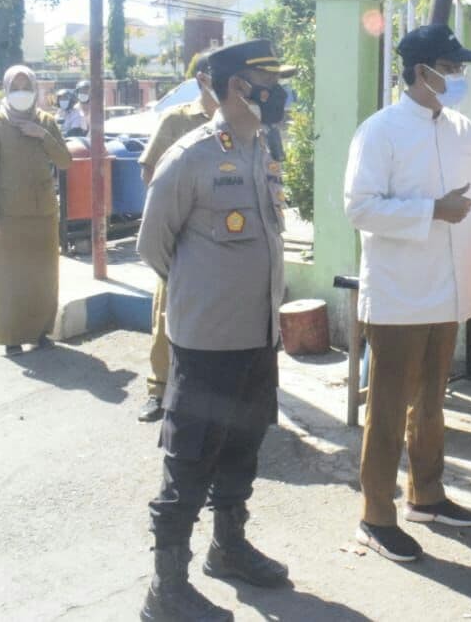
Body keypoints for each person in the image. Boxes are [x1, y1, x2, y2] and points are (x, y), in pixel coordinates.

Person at [344, 24, 471, 563]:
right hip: (400, 294)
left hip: (451, 289)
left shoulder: (462, 130)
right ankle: (376, 516)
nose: (459, 77)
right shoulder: (380, 131)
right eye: (450, 68)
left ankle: (425, 496)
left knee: (431, 402)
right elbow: (358, 207)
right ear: (421, 71)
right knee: (386, 407)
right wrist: (430, 209)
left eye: (459, 69)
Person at [137, 39, 290, 622]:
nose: (277, 91)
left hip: (258, 334)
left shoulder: (262, 148)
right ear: (235, 88)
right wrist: (203, 292)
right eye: (265, 80)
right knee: (190, 459)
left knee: (242, 444)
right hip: (206, 340)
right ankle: (166, 587)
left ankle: (228, 547)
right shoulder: (191, 157)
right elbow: (154, 245)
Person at [135, 52, 223, 423]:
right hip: (180, 232)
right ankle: (158, 388)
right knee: (166, 312)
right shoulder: (177, 120)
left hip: (220, 236)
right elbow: (150, 172)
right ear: (203, 79)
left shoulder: (236, 122)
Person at [0, 65, 72, 356]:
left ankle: (40, 332)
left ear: (35, 89)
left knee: (43, 274)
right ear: (7, 89)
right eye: (16, 87)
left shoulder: (46, 121)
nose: (22, 93)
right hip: (8, 214)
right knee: (11, 276)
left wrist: (41, 134)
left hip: (43, 211)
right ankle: (12, 336)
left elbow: (65, 161)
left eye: (26, 86)